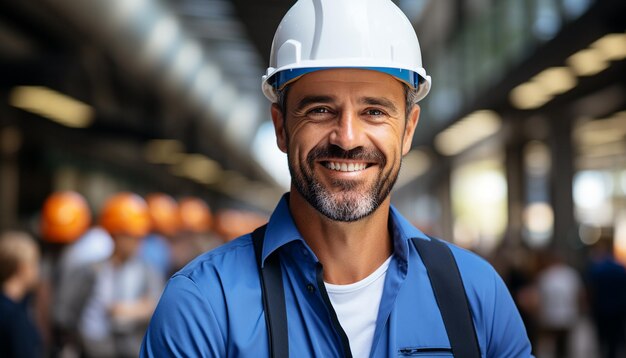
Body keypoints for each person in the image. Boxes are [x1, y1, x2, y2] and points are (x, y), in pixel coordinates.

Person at [141, 0, 533, 357]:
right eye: (320, 110)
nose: (347, 138)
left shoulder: (476, 294)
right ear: (280, 127)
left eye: (374, 112)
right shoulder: (204, 305)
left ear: (409, 129)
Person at [56, 192, 163, 358]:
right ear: (115, 234)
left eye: (139, 236)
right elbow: (65, 314)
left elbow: (158, 305)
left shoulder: (146, 271)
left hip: (129, 349)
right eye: (131, 236)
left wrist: (130, 310)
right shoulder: (91, 270)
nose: (137, 242)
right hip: (91, 349)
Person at [0, 231, 42, 358]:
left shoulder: (16, 306)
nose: (38, 271)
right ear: (22, 268)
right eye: (34, 264)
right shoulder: (13, 314)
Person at [536, 251, 583, 358]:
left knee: (554, 344)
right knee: (564, 344)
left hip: (551, 315)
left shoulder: (545, 275)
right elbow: (579, 295)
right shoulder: (571, 274)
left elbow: (540, 298)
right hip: (566, 314)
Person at [587, 238, 626, 358]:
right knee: (615, 338)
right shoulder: (620, 269)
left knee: (602, 337)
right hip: (618, 310)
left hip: (601, 309)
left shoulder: (597, 269)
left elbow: (591, 290)